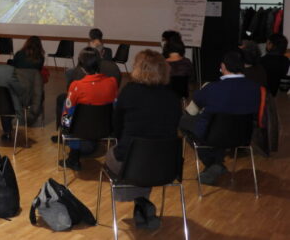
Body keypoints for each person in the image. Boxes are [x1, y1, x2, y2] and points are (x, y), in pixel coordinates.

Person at [106, 49, 181, 230]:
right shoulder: (173, 97)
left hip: (133, 162)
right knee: (145, 159)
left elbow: (116, 126)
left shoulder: (129, 92)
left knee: (117, 156)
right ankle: (142, 205)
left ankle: (141, 204)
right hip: (167, 165)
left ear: (138, 68)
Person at [180, 51, 260, 185]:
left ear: (223, 66)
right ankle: (216, 164)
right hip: (243, 136)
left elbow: (194, 105)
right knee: (220, 127)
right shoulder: (255, 88)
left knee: (184, 121)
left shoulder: (212, 88)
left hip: (214, 135)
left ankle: (214, 164)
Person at [59, 47, 118, 171]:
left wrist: (64, 128)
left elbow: (67, 113)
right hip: (106, 129)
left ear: (81, 66)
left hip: (80, 131)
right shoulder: (112, 82)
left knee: (69, 110)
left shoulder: (76, 86)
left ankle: (73, 159)